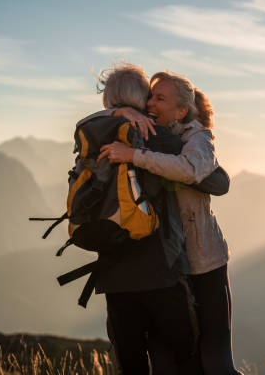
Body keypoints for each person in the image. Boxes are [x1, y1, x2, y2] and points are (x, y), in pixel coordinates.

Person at [100, 70, 241, 375]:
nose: (151, 103)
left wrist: (133, 155)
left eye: (159, 98)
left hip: (204, 262)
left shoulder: (193, 137)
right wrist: (120, 111)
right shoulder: (144, 131)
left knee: (216, 362)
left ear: (181, 110)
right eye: (150, 95)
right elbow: (95, 120)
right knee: (171, 362)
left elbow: (194, 171)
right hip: (168, 267)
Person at [88, 63, 198, 375]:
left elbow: (83, 125)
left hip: (113, 274)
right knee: (185, 356)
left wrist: (114, 115)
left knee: (132, 364)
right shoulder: (160, 138)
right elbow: (204, 173)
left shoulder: (92, 136)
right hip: (160, 270)